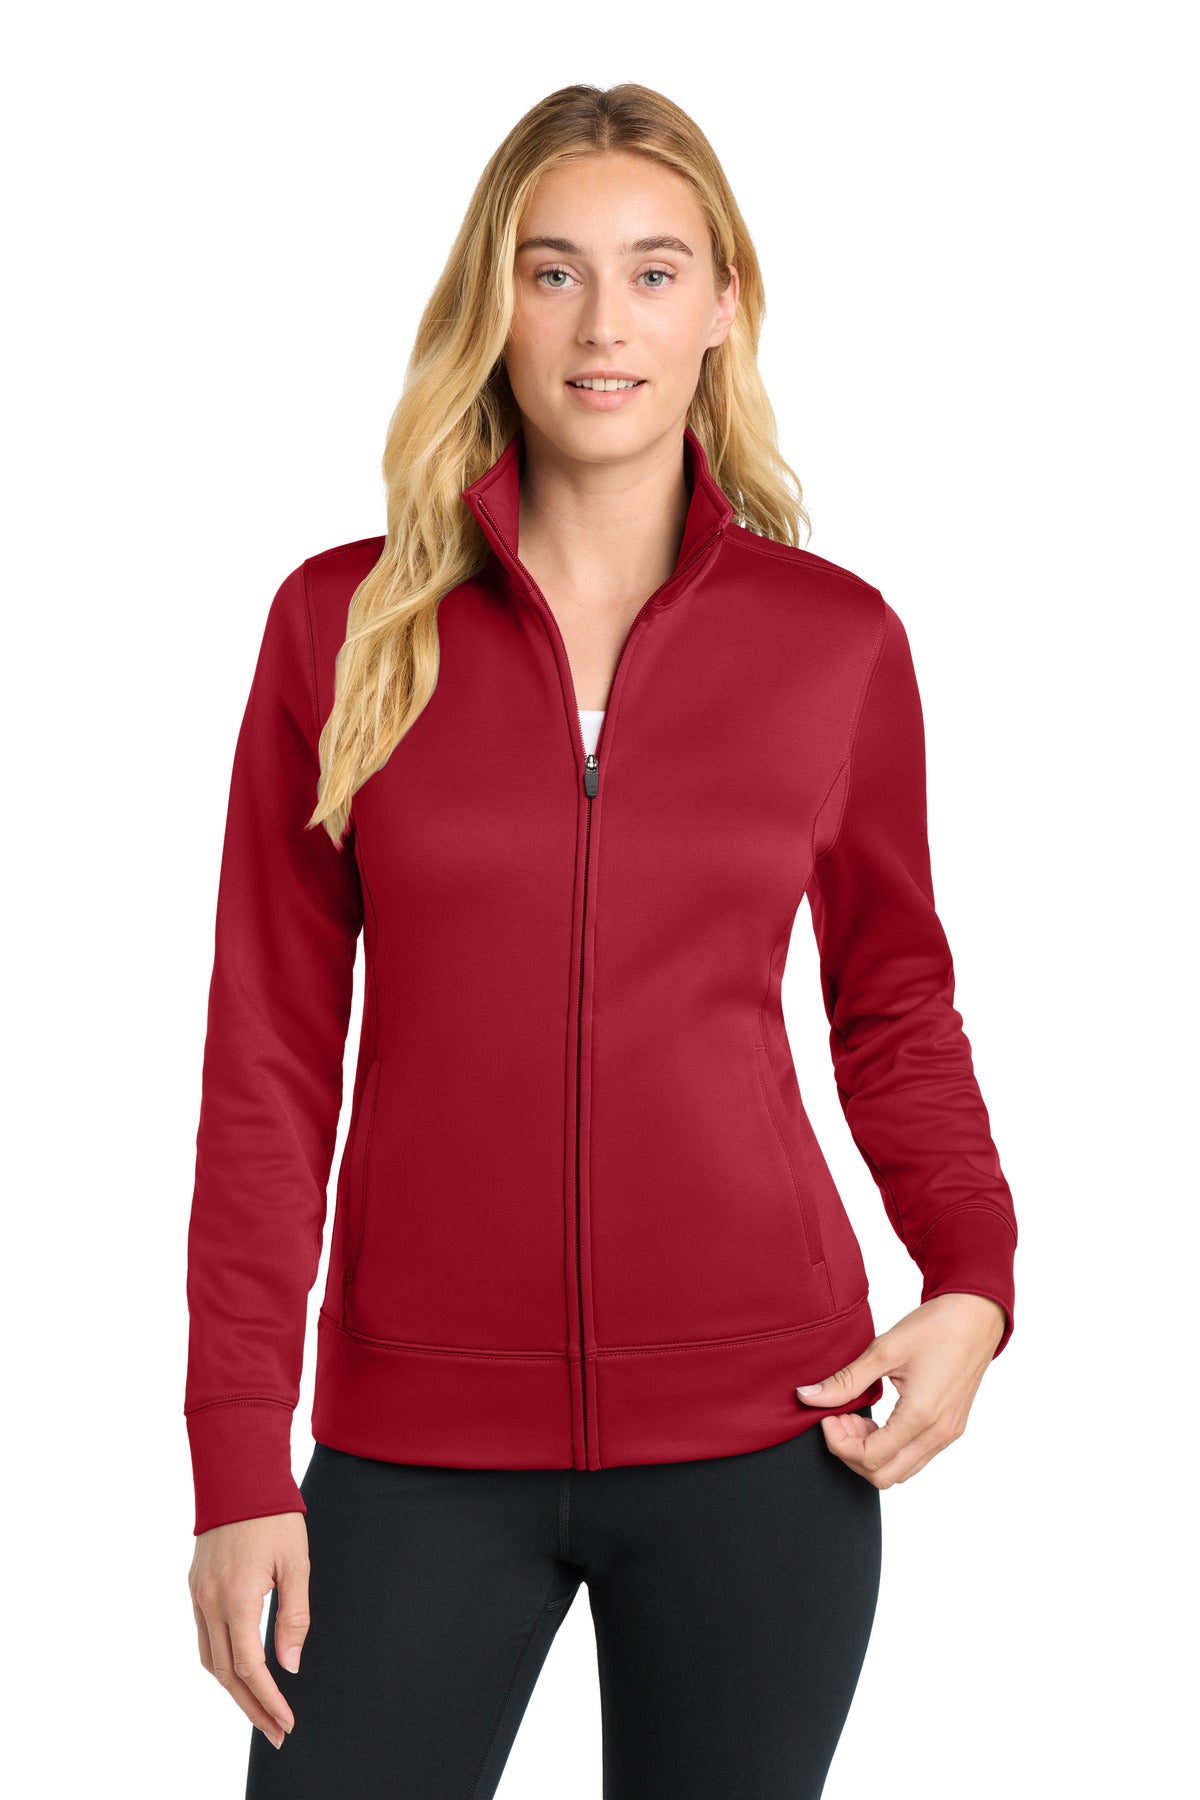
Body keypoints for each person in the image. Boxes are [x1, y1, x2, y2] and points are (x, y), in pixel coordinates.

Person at [185, 82, 1017, 1800]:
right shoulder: (343, 626)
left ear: (723, 307)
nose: (601, 324)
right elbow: (268, 1059)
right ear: (492, 302)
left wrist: (974, 1281)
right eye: (551, 270)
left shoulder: (834, 643)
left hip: (766, 1439)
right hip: (414, 1445)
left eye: (653, 271)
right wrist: (235, 1459)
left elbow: (894, 1000)